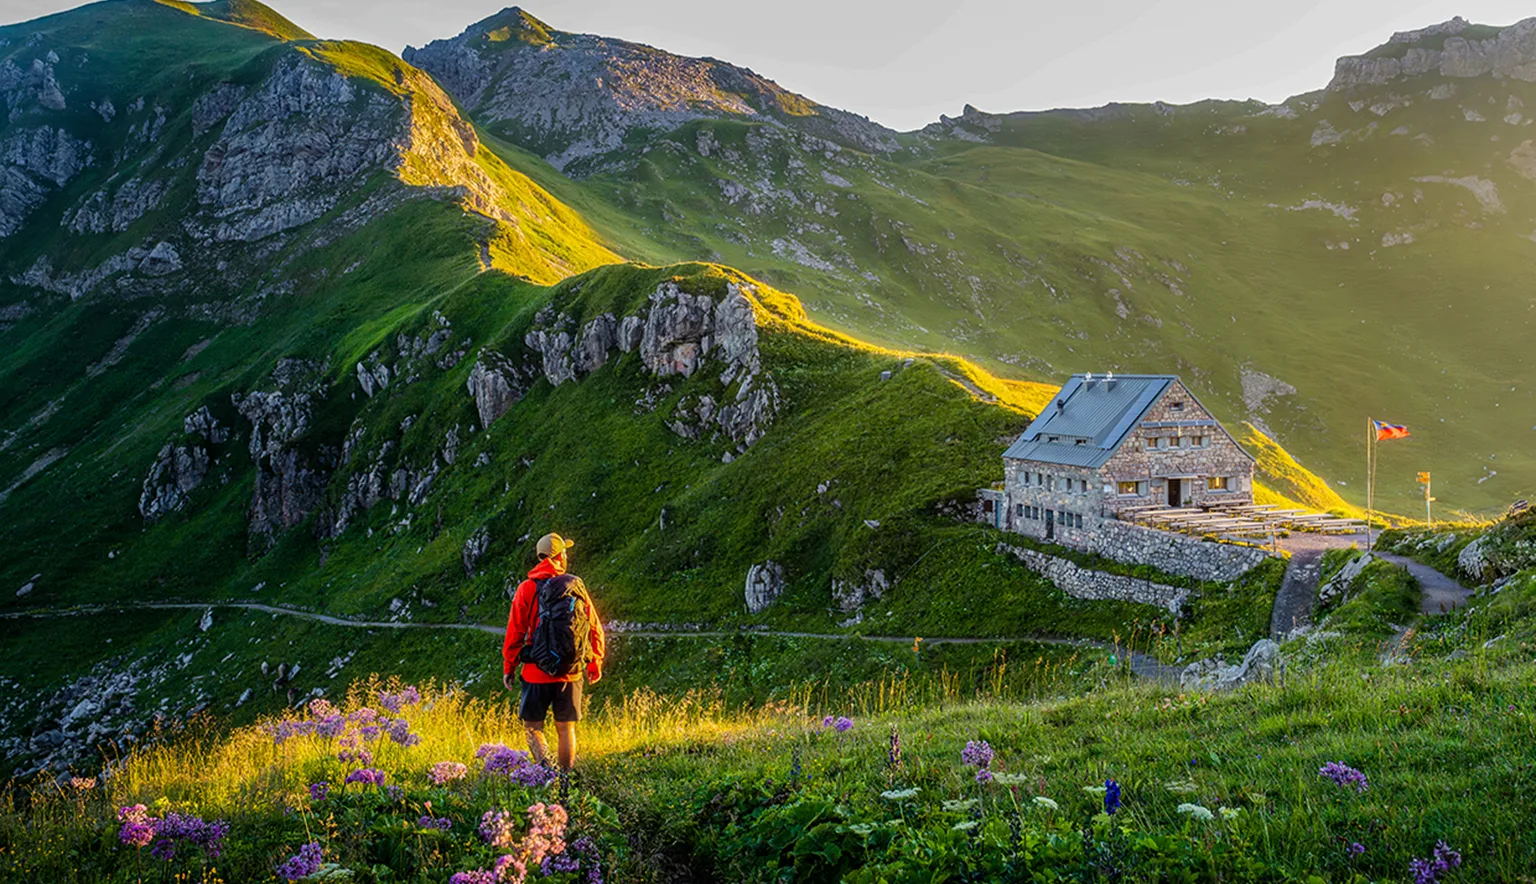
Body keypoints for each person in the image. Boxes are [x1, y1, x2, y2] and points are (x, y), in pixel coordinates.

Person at [502, 532, 605, 771]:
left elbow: (515, 631)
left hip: (535, 671)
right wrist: (595, 661)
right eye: (565, 552)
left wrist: (509, 666)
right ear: (559, 555)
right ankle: (565, 783)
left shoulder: (527, 588)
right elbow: (594, 626)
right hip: (570, 671)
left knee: (533, 727)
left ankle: (545, 772)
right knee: (566, 729)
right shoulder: (575, 585)